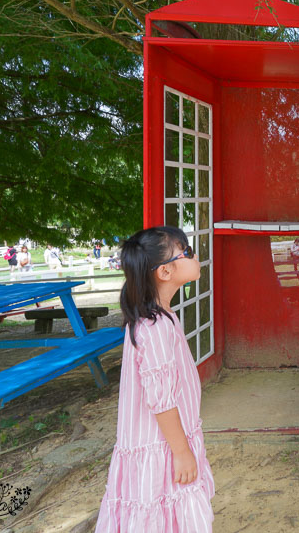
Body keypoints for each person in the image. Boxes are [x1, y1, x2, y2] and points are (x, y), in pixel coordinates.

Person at [95, 226, 214, 532]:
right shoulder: (154, 326)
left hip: (165, 443)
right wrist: (182, 452)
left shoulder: (159, 317)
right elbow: (161, 400)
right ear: (165, 271)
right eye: (186, 251)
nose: (194, 256)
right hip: (161, 447)